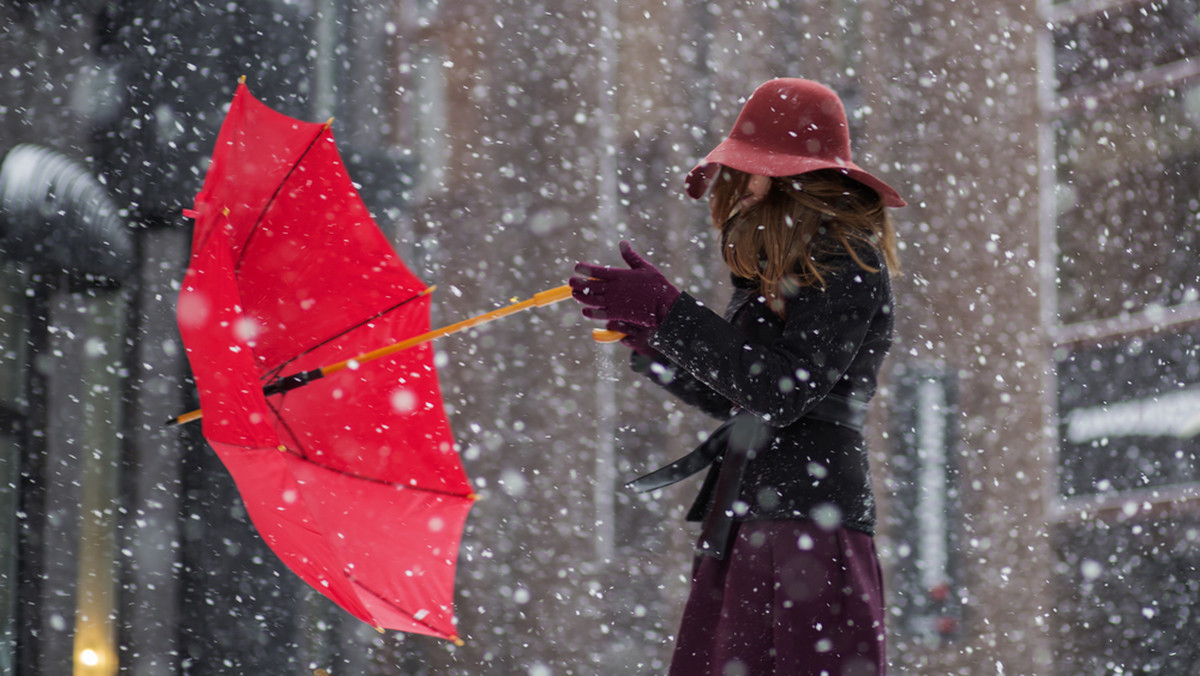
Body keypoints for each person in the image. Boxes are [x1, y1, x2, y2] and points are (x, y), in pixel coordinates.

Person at [569, 78, 905, 676]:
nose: (736, 187)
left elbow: (784, 391)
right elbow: (736, 393)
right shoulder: (772, 273)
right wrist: (655, 342)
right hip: (751, 514)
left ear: (788, 179)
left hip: (811, 519)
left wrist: (671, 312)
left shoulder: (849, 262)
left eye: (749, 170)